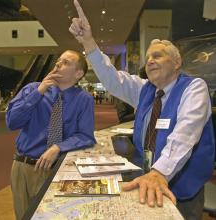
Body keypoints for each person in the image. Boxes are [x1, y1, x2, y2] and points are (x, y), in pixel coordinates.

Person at [69, 1, 215, 219]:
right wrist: (89, 43)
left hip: (181, 190)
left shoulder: (194, 88)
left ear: (177, 63)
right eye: (148, 58)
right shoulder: (145, 89)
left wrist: (160, 172)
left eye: (157, 56)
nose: (150, 61)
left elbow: (185, 134)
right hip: (146, 180)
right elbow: (112, 80)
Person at [6, 49, 96, 220]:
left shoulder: (83, 99)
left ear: (78, 73)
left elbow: (85, 136)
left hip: (56, 170)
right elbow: (12, 122)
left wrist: (58, 147)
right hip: (23, 167)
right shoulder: (31, 89)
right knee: (24, 216)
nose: (58, 64)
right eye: (58, 61)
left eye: (66, 62)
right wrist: (39, 92)